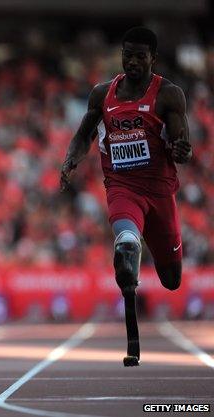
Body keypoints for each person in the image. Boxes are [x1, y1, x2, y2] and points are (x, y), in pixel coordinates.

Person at [60, 27, 192, 364]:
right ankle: (127, 244)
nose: (132, 62)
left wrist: (180, 149)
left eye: (140, 56)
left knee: (172, 279)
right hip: (122, 186)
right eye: (127, 54)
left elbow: (182, 143)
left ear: (153, 59)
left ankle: (131, 246)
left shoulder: (169, 94)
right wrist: (71, 160)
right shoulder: (102, 95)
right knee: (126, 231)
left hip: (160, 192)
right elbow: (83, 135)